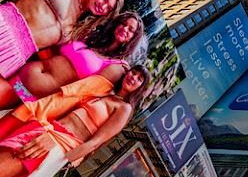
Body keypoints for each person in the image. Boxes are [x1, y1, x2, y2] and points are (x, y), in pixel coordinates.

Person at [0, 66, 150, 177]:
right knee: (5, 155)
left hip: (60, 144)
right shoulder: (105, 92)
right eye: (133, 72)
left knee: (7, 167)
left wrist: (59, 159)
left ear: (141, 88)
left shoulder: (124, 108)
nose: (133, 77)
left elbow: (95, 142)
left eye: (139, 79)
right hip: (49, 128)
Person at [0, 11, 142, 108]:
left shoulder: (116, 66)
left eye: (131, 30)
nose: (125, 29)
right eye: (123, 24)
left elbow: (86, 94)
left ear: (133, 39)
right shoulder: (91, 38)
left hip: (32, 97)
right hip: (19, 74)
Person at [0, 0, 123, 77]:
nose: (103, 6)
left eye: (108, 9)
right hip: (4, 25)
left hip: (13, 57)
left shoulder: (78, 30)